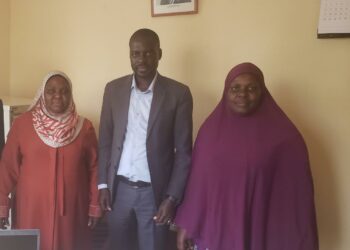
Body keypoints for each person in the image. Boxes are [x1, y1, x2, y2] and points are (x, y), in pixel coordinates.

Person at [175, 62, 319, 250]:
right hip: (217, 230)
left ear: (263, 92)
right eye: (235, 88)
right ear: (226, 91)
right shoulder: (210, 132)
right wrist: (187, 225)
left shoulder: (285, 137)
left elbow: (297, 198)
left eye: (252, 88)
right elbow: (197, 186)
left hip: (261, 232)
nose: (242, 94)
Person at [98, 28, 193, 250]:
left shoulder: (179, 94)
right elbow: (105, 141)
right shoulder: (113, 90)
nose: (142, 59)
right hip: (117, 190)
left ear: (160, 54)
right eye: (136, 53)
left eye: (148, 53)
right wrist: (103, 184)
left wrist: (171, 198)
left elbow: (184, 153)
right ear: (130, 55)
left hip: (154, 193)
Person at [0, 71, 102, 250]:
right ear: (42, 94)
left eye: (64, 91)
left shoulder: (84, 128)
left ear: (70, 95)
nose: (57, 96)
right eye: (51, 91)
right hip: (31, 209)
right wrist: (1, 206)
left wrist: (94, 206)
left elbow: (95, 170)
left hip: (72, 212)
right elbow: (7, 169)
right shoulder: (22, 125)